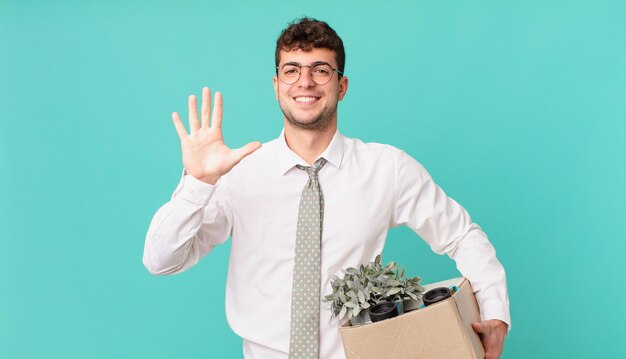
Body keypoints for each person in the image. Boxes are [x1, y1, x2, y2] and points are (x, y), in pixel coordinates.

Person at [143, 17, 510, 359]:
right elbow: (162, 261)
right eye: (291, 71)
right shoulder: (238, 174)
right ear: (276, 87)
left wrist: (494, 311)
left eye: (321, 70)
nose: (305, 82)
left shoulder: (387, 168)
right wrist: (198, 182)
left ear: (341, 85)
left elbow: (462, 234)